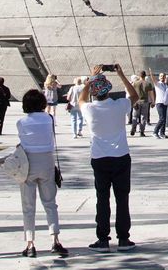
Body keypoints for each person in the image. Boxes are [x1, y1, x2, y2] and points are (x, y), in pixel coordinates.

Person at [79, 69, 139, 251]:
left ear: (94, 92)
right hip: (120, 156)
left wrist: (90, 81)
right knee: (122, 198)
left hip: (99, 158)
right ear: (108, 90)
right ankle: (123, 238)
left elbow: (80, 99)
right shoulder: (119, 105)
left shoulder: (90, 109)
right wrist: (121, 74)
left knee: (102, 198)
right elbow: (135, 96)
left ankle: (103, 238)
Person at [15, 89, 68, 258]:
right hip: (46, 162)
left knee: (28, 206)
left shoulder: (21, 122)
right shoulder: (48, 119)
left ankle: (30, 243)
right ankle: (55, 240)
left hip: (27, 163)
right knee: (50, 203)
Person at [152, 72, 168, 139]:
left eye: (163, 76)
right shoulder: (158, 84)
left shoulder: (166, 85)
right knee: (162, 118)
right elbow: (153, 79)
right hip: (159, 103)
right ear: (159, 77)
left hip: (165, 103)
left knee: (165, 119)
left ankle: (162, 133)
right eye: (161, 76)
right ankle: (155, 132)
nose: (162, 77)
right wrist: (151, 73)